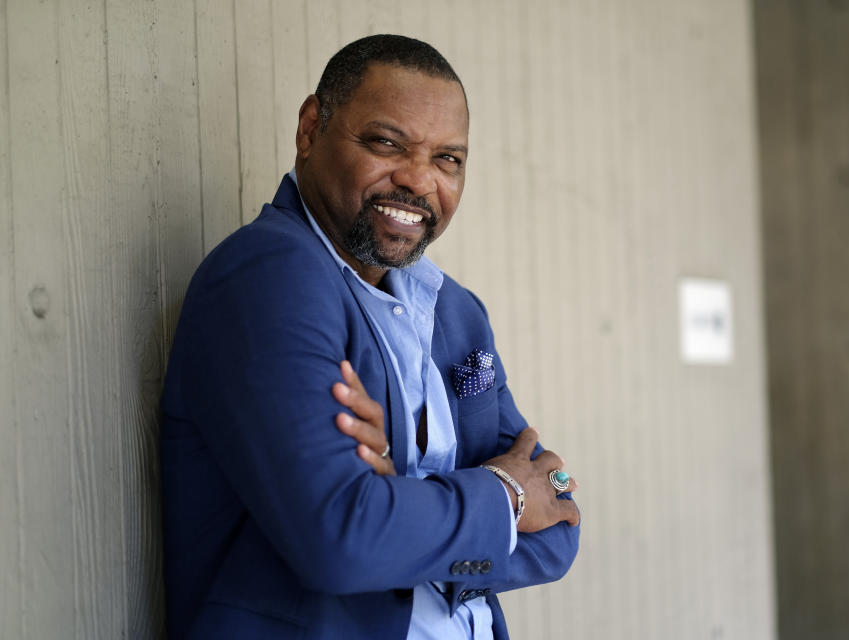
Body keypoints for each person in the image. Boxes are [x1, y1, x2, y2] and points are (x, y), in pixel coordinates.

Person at [160, 34, 580, 639]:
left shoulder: (457, 312)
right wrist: (507, 500)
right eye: (387, 143)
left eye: (447, 159)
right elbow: (342, 537)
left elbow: (562, 516)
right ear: (311, 130)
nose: (417, 180)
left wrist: (405, 505)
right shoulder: (270, 275)